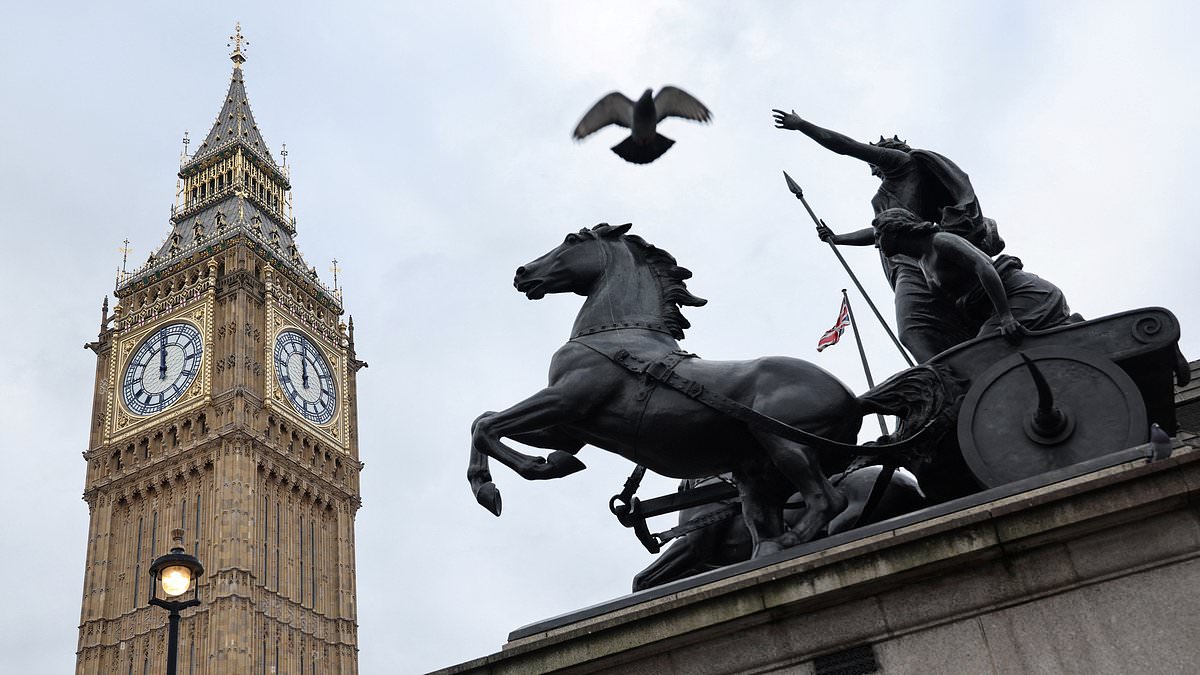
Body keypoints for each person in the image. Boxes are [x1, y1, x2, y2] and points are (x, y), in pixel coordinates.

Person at [771, 109, 1004, 361]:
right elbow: (880, 232)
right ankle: (955, 369)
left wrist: (802, 125)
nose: (874, 162)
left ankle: (944, 378)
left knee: (912, 328)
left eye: (880, 152)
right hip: (903, 257)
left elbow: (846, 146)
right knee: (931, 327)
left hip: (913, 259)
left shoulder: (901, 164)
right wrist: (839, 238)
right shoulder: (894, 189)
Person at [871, 208, 1078, 342]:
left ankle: (1073, 331)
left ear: (894, 230)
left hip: (1024, 295)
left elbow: (984, 267)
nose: (876, 243)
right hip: (996, 310)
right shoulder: (922, 262)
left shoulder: (940, 241)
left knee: (983, 351)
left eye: (879, 236)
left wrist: (1006, 316)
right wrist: (838, 239)